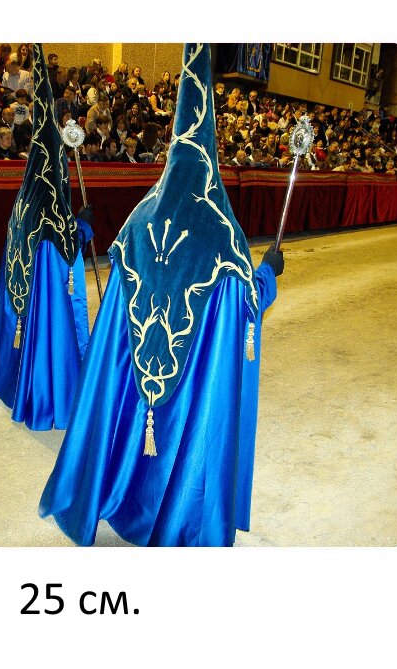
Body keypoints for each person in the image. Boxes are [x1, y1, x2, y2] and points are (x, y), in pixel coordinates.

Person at [39, 43, 282, 547]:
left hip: (137, 382)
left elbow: (114, 327)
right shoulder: (223, 237)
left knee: (126, 404)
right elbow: (244, 309)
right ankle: (178, 515)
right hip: (188, 388)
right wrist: (268, 273)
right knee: (191, 427)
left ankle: (115, 485)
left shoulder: (137, 223)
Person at [0, 43, 95, 431]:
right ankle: (51, 391)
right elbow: (66, 245)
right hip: (45, 295)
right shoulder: (51, 197)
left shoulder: (26, 194)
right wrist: (84, 225)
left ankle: (11, 374)